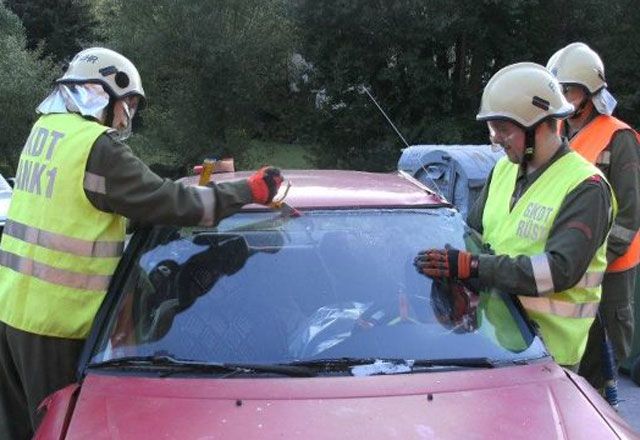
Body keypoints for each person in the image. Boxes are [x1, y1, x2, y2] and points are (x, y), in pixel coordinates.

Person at [0, 47, 283, 440]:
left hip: (12, 313)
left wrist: (179, 188)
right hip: (58, 326)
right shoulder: (97, 147)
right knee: (62, 431)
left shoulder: (46, 131)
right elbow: (172, 202)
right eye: (128, 104)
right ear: (103, 93)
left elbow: (82, 206)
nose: (126, 116)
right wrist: (247, 191)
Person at [414, 62, 615, 370]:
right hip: (495, 344)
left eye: (504, 128)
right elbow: (471, 236)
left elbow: (558, 271)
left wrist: (473, 267)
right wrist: (449, 269)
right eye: (492, 128)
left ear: (539, 126)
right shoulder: (503, 170)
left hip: (549, 355)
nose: (495, 138)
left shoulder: (586, 187)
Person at [546, 42, 640, 391]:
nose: (563, 99)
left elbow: (629, 215)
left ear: (589, 92)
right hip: (570, 263)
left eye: (568, 90)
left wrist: (592, 261)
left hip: (609, 270)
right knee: (571, 352)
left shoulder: (620, 138)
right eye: (558, 90)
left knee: (605, 361)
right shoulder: (556, 135)